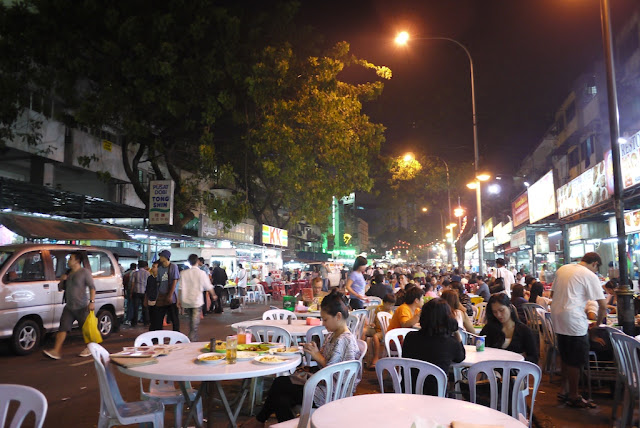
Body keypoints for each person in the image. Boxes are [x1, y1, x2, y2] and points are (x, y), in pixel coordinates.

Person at [244, 290, 361, 426]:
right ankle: (260, 421)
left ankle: (259, 420)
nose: (323, 323)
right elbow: (327, 361)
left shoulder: (346, 340)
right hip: (322, 384)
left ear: (338, 316)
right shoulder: (332, 335)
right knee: (281, 399)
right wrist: (315, 352)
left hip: (331, 392)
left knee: (280, 383)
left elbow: (343, 375)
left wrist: (318, 356)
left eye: (325, 319)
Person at [551, 252, 606, 408]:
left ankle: (564, 390)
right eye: (597, 268)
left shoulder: (563, 269)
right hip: (574, 320)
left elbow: (553, 294)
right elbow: (602, 306)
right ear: (595, 264)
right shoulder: (589, 275)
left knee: (565, 355)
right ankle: (574, 396)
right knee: (575, 359)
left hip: (557, 317)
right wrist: (597, 325)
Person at [403, 298, 465, 395]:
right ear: (448, 319)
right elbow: (460, 357)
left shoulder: (410, 337)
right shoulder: (451, 343)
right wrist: (456, 332)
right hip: (436, 395)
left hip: (409, 391)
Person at [44, 252, 96, 359]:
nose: (68, 261)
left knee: (86, 330)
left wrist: (92, 301)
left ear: (77, 261)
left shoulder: (84, 272)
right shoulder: (68, 273)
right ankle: (56, 351)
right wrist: (62, 280)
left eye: (71, 258)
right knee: (63, 328)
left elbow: (92, 287)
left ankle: (90, 348)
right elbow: (60, 288)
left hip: (82, 307)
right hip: (69, 307)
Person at [480, 293, 538, 364]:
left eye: (501, 310)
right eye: (494, 312)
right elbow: (480, 349)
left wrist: (519, 360)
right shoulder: (489, 328)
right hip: (492, 367)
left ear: (510, 307)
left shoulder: (524, 330)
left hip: (517, 368)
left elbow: (533, 357)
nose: (498, 315)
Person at [179, 254, 215, 341]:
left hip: (186, 300)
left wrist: (178, 300)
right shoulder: (201, 273)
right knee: (194, 321)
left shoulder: (183, 273)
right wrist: (213, 294)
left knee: (191, 319)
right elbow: (208, 286)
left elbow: (180, 288)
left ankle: (192, 335)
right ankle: (192, 337)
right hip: (196, 300)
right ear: (197, 261)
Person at [152, 250, 180, 332]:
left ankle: (176, 334)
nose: (160, 258)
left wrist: (170, 295)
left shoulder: (173, 266)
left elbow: (175, 281)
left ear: (166, 257)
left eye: (161, 256)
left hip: (171, 297)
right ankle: (158, 334)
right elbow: (158, 282)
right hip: (161, 295)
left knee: (174, 318)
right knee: (158, 318)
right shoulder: (160, 268)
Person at [369, 293, 396, 369]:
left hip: (383, 332)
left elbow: (387, 328)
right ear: (384, 303)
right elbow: (375, 319)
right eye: (389, 305)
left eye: (392, 305)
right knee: (364, 331)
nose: (390, 307)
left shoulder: (390, 314)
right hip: (375, 329)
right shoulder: (379, 308)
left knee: (375, 337)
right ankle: (362, 354)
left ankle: (376, 357)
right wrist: (373, 323)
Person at [130, 260, 150, 326]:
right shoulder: (148, 273)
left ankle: (134, 323)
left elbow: (132, 284)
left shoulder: (135, 273)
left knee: (135, 308)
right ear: (145, 266)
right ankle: (146, 322)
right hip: (145, 292)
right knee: (145, 307)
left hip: (136, 292)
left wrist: (131, 292)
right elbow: (149, 283)